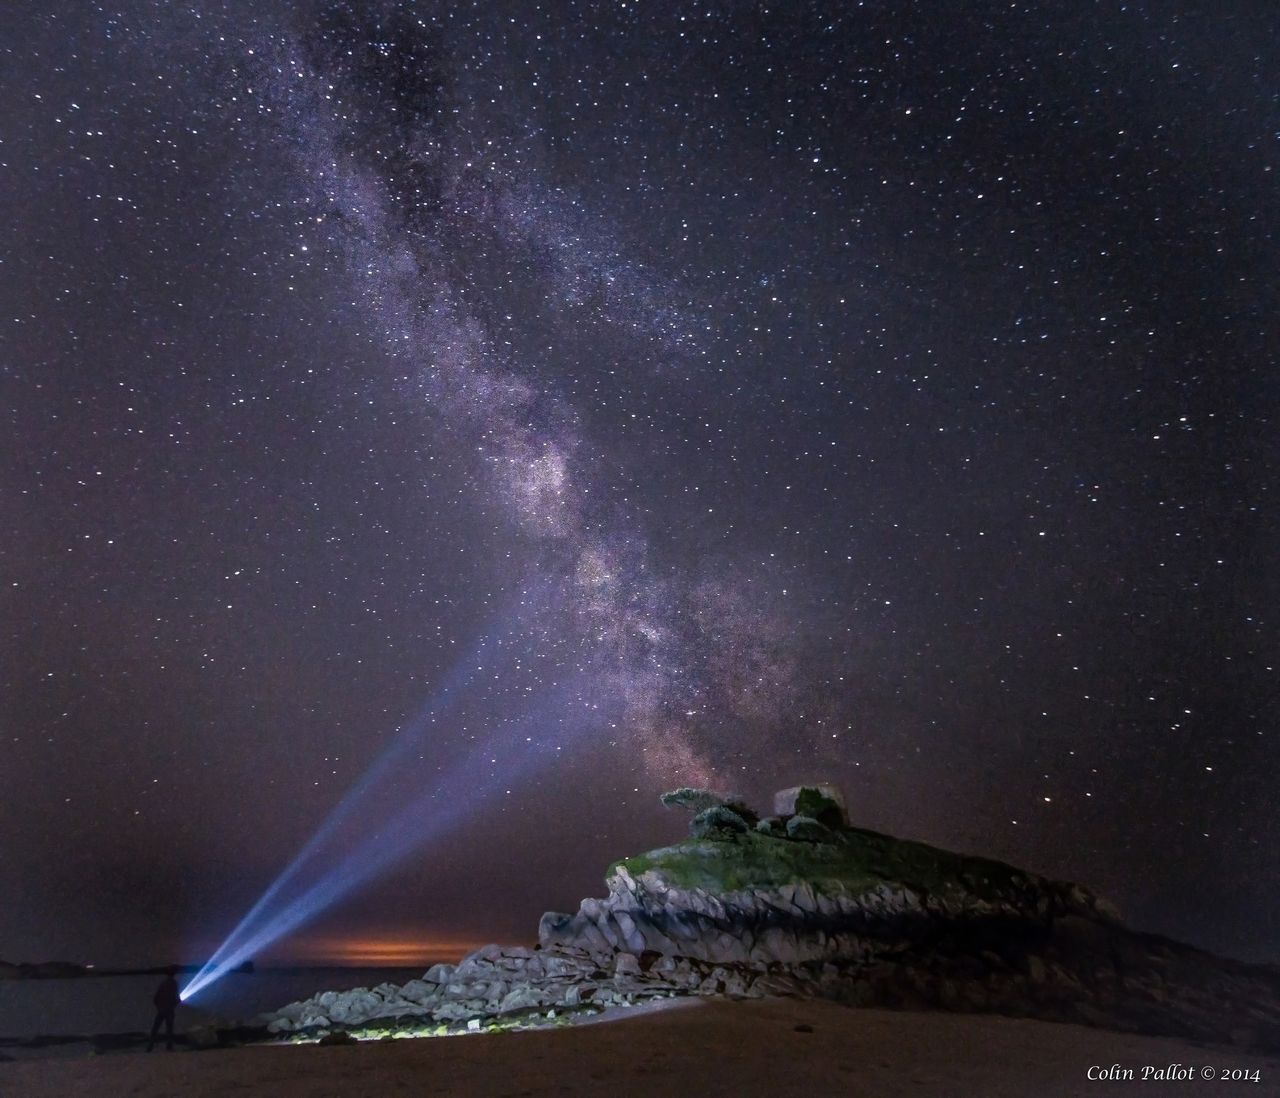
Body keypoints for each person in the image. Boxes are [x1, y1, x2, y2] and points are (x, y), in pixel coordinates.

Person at [147, 966, 180, 1051]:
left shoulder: (163, 983)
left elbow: (156, 997)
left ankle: (150, 1046)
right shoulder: (174, 984)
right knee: (169, 1029)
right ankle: (169, 1046)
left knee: (156, 1028)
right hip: (169, 1009)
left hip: (161, 1009)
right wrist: (175, 1003)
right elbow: (176, 997)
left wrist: (159, 1006)